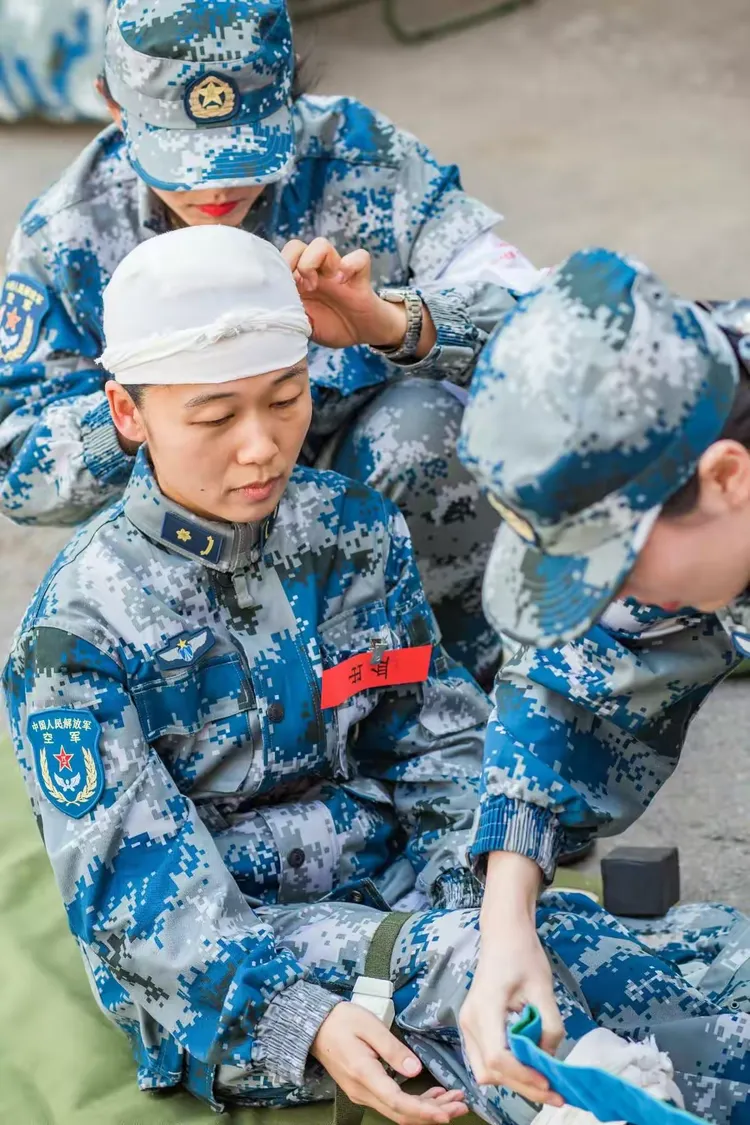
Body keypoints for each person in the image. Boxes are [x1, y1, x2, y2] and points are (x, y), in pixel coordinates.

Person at [5, 225, 750, 1125]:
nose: (260, 447)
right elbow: (140, 903)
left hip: (404, 886)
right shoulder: (76, 633)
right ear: (128, 413)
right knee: (471, 988)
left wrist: (484, 896)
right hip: (240, 946)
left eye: (285, 400)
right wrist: (299, 1021)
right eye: (214, 416)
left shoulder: (347, 525)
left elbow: (437, 738)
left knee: (592, 950)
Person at [0, 0, 540, 684]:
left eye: (243, 146)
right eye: (182, 156)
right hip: (192, 524)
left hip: (368, 490)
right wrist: (148, 412)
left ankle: (448, 683)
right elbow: (16, 466)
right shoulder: (69, 232)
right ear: (113, 107)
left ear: (289, 94)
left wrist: (389, 320)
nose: (218, 184)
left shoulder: (361, 155)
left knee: (423, 431)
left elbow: (550, 332)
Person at [455, 246, 750, 1108]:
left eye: (613, 568)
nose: (604, 601)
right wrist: (505, 920)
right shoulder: (682, 407)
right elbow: (559, 688)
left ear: (726, 479)